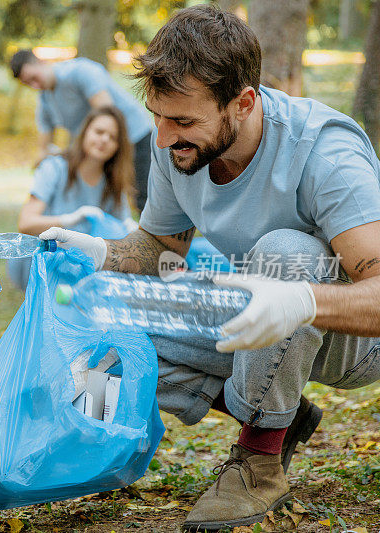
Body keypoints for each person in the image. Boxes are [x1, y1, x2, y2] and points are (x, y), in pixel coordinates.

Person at [40, 5, 380, 531]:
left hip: (354, 340)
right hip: (260, 315)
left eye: (182, 121)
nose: (161, 136)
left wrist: (302, 299)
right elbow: (160, 247)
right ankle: (281, 418)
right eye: (156, 115)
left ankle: (259, 458)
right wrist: (101, 255)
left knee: (287, 253)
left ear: (242, 103)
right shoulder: (179, 148)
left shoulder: (326, 154)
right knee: (99, 309)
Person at [8, 105, 139, 290]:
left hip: (82, 271)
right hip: (43, 264)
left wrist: (131, 228)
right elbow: (26, 223)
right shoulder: (54, 167)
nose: (104, 140)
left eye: (113, 137)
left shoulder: (112, 183)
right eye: (99, 131)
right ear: (85, 132)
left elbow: (122, 225)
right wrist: (69, 219)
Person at [10, 48, 153, 211]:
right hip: (104, 146)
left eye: (34, 78)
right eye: (28, 84)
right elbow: (44, 149)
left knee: (144, 198)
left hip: (135, 136)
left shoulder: (80, 72)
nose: (35, 86)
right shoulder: (45, 101)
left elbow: (108, 117)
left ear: (42, 63)